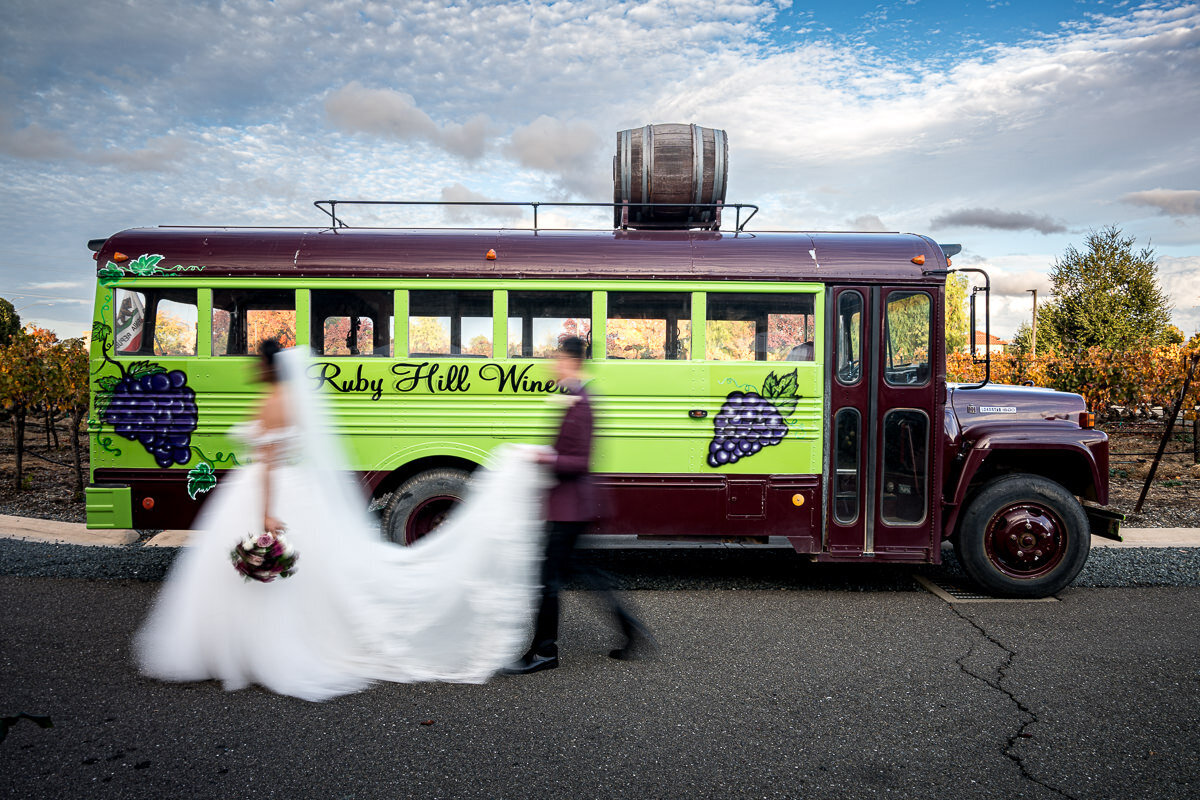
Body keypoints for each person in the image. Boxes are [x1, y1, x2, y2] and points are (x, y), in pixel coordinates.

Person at [134, 341, 546, 701]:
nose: (248, 367)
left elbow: (267, 462)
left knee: (254, 573)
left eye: (254, 361)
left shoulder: (269, 402)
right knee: (299, 577)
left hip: (267, 492)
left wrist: (264, 513)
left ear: (265, 368)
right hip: (294, 490)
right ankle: (273, 642)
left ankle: (248, 647)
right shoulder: (293, 401)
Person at [505, 336, 651, 675]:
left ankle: (544, 652)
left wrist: (544, 456)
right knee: (584, 574)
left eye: (557, 359)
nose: (553, 365)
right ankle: (631, 629)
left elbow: (580, 461)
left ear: (572, 362)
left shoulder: (582, 402)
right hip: (569, 504)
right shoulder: (572, 396)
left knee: (548, 579)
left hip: (570, 506)